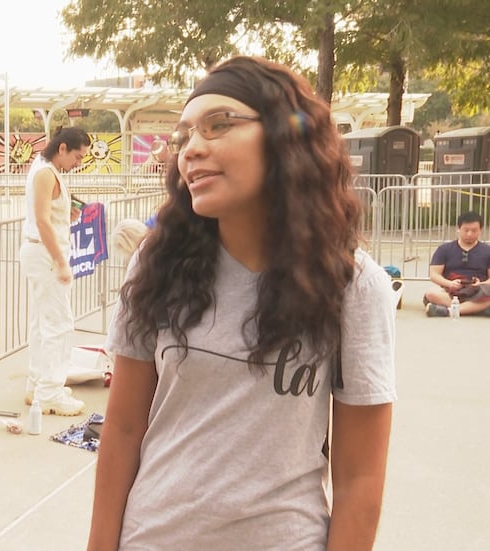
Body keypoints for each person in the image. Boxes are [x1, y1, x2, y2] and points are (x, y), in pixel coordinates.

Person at [87, 56, 396, 551]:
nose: (192, 150)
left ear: (283, 138)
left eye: (219, 125)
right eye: (184, 136)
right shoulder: (156, 263)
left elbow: (360, 480)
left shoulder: (353, 286)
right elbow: (122, 430)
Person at [20, 126, 91, 415]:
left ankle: (39, 384)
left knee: (43, 322)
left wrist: (66, 213)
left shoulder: (45, 168)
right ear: (62, 148)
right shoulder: (46, 173)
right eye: (77, 155)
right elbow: (42, 220)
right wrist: (61, 261)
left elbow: (47, 215)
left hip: (40, 252)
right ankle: (49, 391)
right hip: (46, 254)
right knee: (59, 324)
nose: (79, 162)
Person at [422, 210, 490, 317]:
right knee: (431, 293)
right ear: (458, 229)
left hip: (479, 291)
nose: (469, 234)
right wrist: (450, 283)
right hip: (451, 291)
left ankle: (448, 311)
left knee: (487, 293)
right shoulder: (444, 249)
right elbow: (434, 274)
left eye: (474, 230)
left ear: (480, 230)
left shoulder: (487, 251)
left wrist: (480, 284)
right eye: (466, 230)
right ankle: (475, 308)